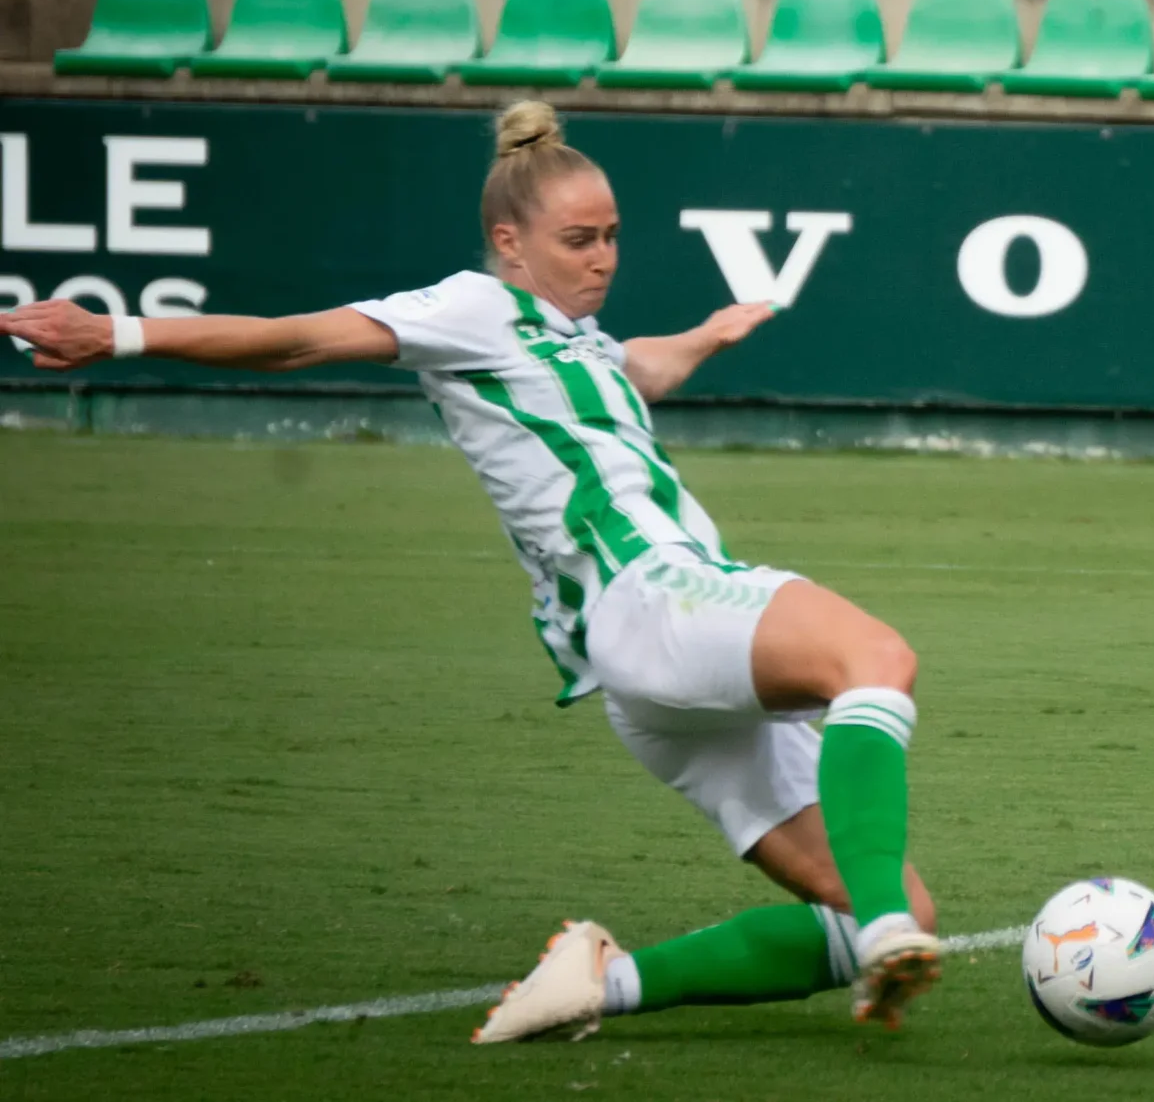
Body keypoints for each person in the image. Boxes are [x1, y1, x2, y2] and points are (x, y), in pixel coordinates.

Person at [0, 102, 942, 1042]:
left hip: (642, 672)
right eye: (578, 239)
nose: (603, 257)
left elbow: (635, 370)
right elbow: (299, 338)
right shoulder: (474, 308)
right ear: (510, 240)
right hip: (651, 598)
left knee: (885, 902)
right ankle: (888, 935)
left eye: (613, 236)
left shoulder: (576, 341)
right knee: (873, 655)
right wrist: (115, 334)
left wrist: (706, 335)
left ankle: (601, 983)